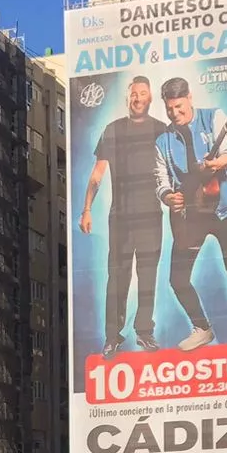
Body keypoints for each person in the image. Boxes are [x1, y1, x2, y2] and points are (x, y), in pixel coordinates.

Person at [151, 76, 227, 368]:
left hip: (226, 209)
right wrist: (169, 198)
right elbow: (160, 180)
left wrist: (217, 163)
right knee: (177, 278)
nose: (174, 113)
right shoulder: (163, 141)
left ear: (190, 98)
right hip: (191, 217)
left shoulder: (215, 117)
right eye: (170, 108)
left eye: (179, 106)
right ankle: (202, 327)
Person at [82, 73, 166, 358]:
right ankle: (111, 337)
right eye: (133, 93)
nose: (137, 98)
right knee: (116, 278)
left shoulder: (162, 130)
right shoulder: (113, 129)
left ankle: (144, 331)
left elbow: (175, 172)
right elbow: (97, 174)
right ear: (126, 97)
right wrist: (86, 209)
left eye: (142, 92)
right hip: (120, 218)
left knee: (148, 277)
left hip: (151, 216)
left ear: (150, 96)